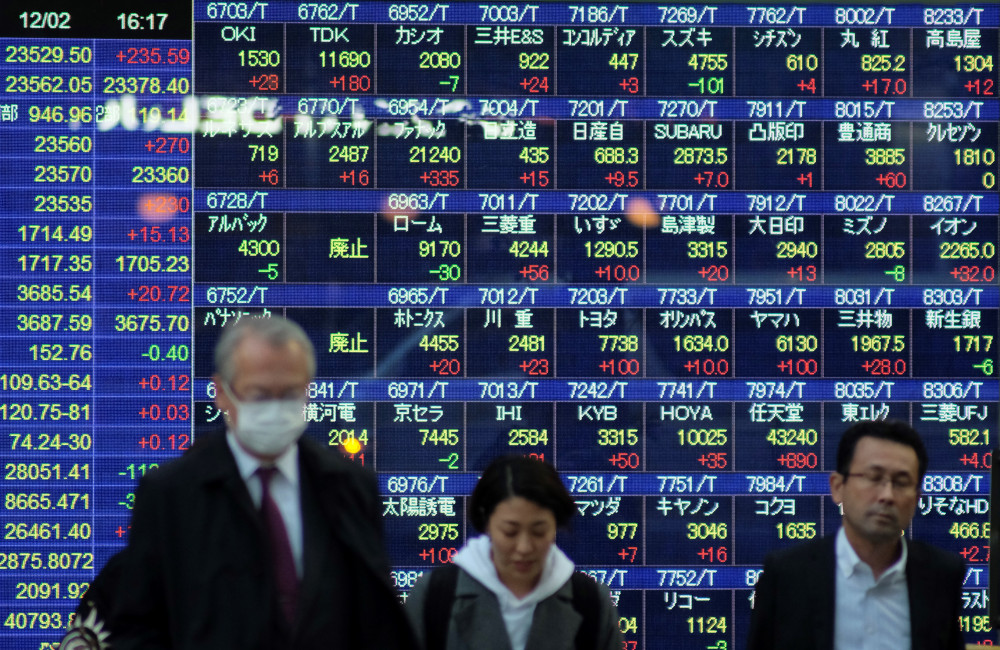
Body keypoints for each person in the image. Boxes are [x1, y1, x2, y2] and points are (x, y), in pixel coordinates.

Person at [109, 316, 418, 649]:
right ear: (221, 393)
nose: (275, 408)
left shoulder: (348, 485)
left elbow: (377, 621)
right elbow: (136, 629)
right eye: (259, 395)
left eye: (289, 394)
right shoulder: (171, 494)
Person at [746, 420, 965, 650]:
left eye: (901, 482)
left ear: (917, 498)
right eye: (873, 477)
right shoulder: (786, 574)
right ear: (838, 487)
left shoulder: (941, 575)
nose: (887, 495)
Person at [405, 455, 623, 650]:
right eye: (510, 532)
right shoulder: (435, 596)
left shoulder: (590, 602)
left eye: (539, 532)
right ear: (486, 523)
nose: (524, 547)